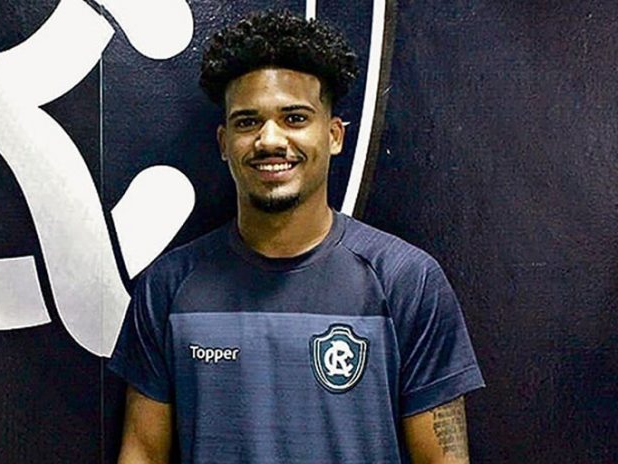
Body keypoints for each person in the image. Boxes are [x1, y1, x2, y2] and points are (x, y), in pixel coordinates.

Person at [109, 9, 484, 464]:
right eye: (247, 122)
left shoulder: (407, 282)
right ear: (224, 143)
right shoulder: (168, 288)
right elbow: (142, 453)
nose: (269, 139)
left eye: (294, 118)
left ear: (334, 135)